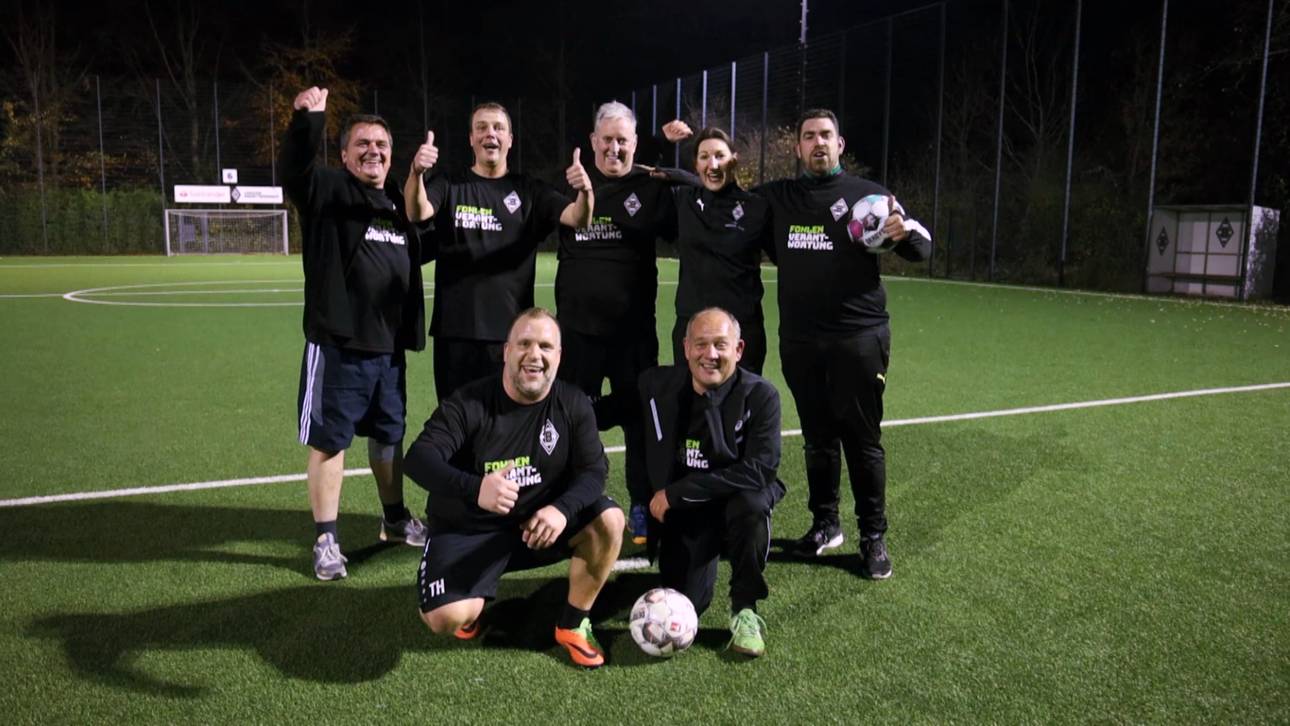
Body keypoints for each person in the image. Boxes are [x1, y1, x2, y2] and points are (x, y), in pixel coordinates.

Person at [755, 109, 931, 579]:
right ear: (798, 147)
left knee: (862, 440)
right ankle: (825, 524)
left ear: (840, 143)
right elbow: (720, 193)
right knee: (816, 439)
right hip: (800, 340)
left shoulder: (869, 197)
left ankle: (873, 536)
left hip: (858, 338)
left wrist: (904, 233)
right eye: (809, 136)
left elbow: (921, 247)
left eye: (826, 135)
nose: (818, 143)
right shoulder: (779, 197)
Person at [404, 308, 624, 669]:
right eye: (524, 344)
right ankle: (472, 602)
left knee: (610, 520)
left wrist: (561, 509)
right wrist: (477, 490)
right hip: (469, 530)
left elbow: (594, 469)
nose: (534, 355)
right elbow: (418, 458)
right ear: (506, 351)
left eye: (545, 346)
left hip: (534, 528)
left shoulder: (572, 403)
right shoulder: (469, 402)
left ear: (558, 356)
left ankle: (572, 624)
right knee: (445, 618)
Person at [280, 86, 429, 581]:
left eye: (382, 146)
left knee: (389, 437)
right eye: (362, 144)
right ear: (344, 154)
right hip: (339, 347)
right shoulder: (327, 191)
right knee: (330, 442)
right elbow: (295, 173)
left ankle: (393, 520)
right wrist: (308, 120)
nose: (373, 152)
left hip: (387, 352)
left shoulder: (394, 205)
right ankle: (326, 539)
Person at [403, 102, 593, 401]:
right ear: (471, 138)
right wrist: (416, 174)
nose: (490, 134)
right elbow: (417, 212)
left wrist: (585, 191)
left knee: (504, 424)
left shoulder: (529, 189)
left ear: (510, 139)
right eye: (481, 127)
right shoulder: (450, 184)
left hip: (511, 336)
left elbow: (578, 218)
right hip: (456, 333)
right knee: (455, 422)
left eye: (498, 128)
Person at [554, 101, 678, 545]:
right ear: (592, 142)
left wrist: (678, 159)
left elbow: (694, 219)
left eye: (622, 140)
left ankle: (642, 507)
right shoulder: (569, 183)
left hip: (633, 336)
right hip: (578, 334)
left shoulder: (651, 186)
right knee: (574, 422)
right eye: (606, 139)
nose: (614, 147)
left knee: (640, 422)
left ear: (635, 143)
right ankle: (576, 507)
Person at [638, 307, 784, 657]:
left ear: (739, 349)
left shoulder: (761, 396)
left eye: (721, 345)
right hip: (691, 511)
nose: (711, 354)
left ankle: (745, 607)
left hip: (732, 501)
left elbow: (759, 470)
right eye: (701, 345)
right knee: (688, 600)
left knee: (750, 504)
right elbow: (617, 407)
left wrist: (676, 493)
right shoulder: (661, 386)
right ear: (686, 348)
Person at [655, 121, 771, 373]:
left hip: (742, 329)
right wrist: (661, 143)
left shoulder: (756, 207)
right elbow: (641, 174)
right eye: (704, 157)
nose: (713, 164)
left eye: (720, 155)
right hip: (692, 327)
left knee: (741, 409)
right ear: (696, 164)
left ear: (734, 160)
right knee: (691, 409)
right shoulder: (682, 201)